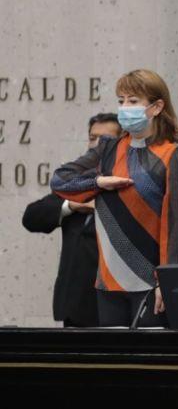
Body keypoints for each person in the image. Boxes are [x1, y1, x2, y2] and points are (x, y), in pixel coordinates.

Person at [50, 71, 178, 327]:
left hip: (152, 283)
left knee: (150, 362)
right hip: (108, 282)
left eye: (133, 101)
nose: (124, 108)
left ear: (157, 106)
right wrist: (97, 182)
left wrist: (170, 281)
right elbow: (60, 181)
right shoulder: (107, 149)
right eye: (121, 101)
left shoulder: (174, 155)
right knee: (114, 362)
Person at [22, 113, 122, 327]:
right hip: (75, 306)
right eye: (92, 138)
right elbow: (31, 217)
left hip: (116, 304)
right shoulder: (76, 181)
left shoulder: (128, 180)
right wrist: (71, 206)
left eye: (104, 140)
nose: (96, 145)